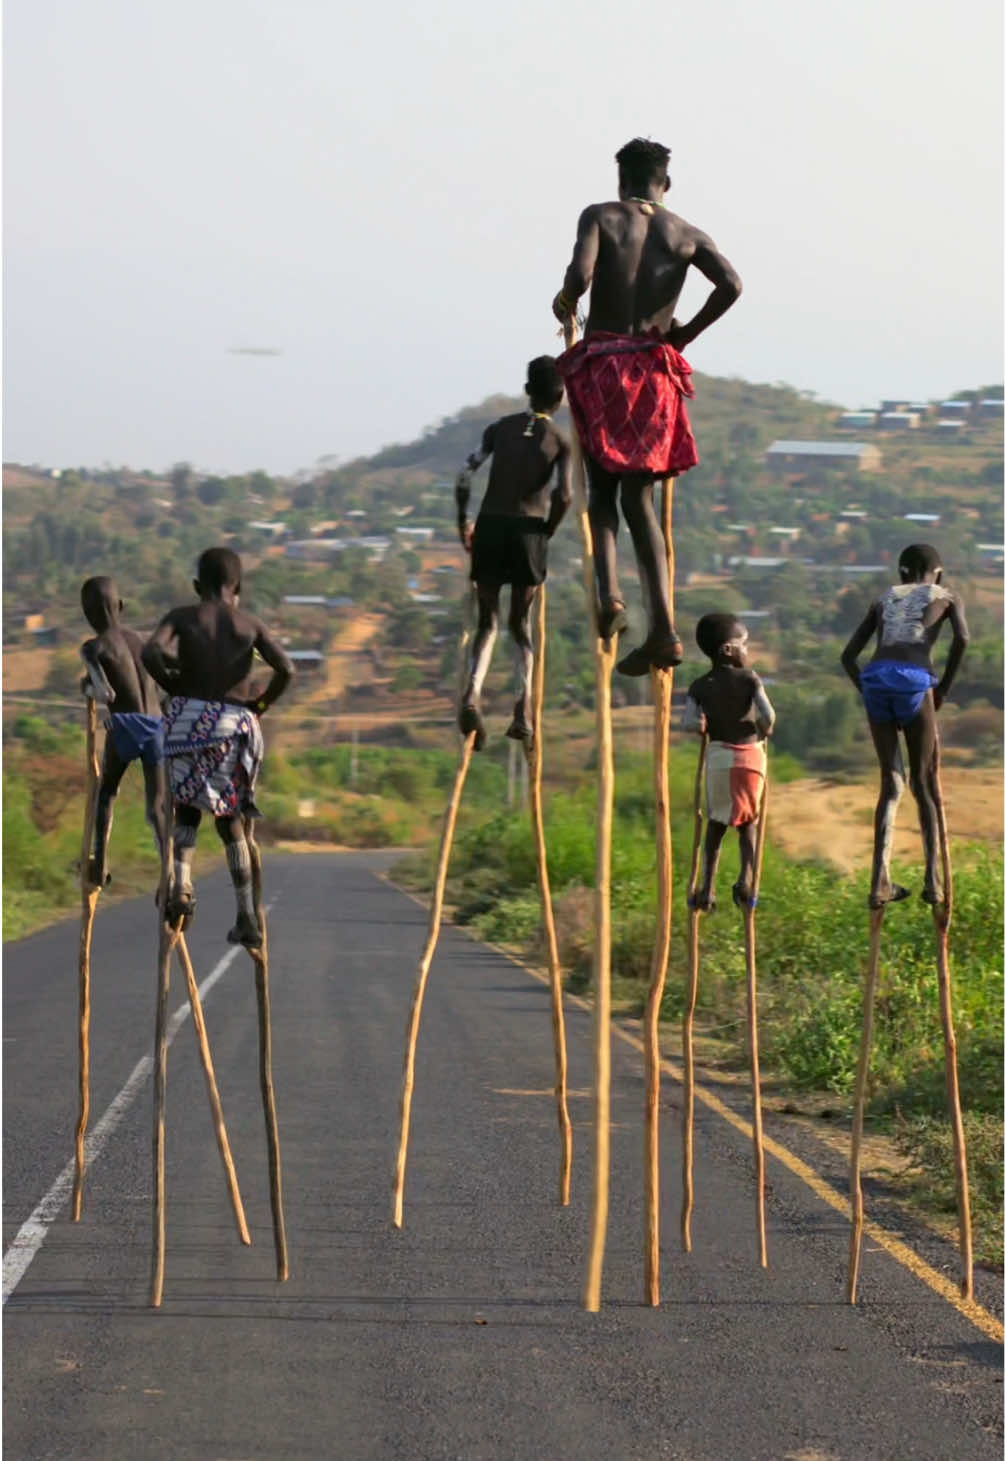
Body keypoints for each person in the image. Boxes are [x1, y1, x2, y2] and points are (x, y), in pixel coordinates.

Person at [552, 136, 741, 676]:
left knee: (603, 494)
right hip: (654, 374)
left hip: (603, 369)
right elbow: (731, 285)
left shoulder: (600, 216)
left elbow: (580, 277)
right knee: (642, 503)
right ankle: (664, 630)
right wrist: (683, 337)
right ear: (666, 183)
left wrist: (566, 303)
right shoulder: (686, 233)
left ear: (622, 180)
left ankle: (610, 597)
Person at [141, 547, 294, 948]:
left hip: (187, 720)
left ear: (197, 586)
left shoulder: (182, 617)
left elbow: (150, 651)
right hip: (231, 723)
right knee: (230, 821)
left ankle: (181, 887)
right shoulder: (249, 624)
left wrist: (174, 685)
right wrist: (260, 705)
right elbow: (286, 669)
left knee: (187, 809)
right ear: (237, 587)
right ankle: (246, 916)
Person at [840, 544, 968, 908]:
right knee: (923, 782)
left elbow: (848, 657)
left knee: (891, 782)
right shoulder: (945, 595)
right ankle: (933, 881)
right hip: (914, 680)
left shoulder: (884, 598)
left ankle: (879, 882)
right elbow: (962, 639)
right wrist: (941, 690)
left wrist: (868, 690)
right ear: (938, 572)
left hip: (876, 679)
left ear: (901, 572)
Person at [454, 356, 572, 749]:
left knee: (487, 622)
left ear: (526, 391)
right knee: (520, 625)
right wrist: (547, 531)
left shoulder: (499, 428)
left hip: (490, 527)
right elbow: (565, 496)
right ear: (560, 397)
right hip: (529, 533)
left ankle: (471, 696)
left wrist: (463, 521)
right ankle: (523, 710)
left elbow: (465, 473)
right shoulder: (560, 441)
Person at [78, 576, 168, 889]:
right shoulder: (144, 641)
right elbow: (166, 686)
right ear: (121, 606)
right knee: (157, 807)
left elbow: (106, 694)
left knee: (107, 792)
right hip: (157, 725)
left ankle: (100, 865)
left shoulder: (93, 647)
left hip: (126, 724)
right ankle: (171, 872)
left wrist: (86, 687)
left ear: (87, 614)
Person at [681, 613, 774, 910]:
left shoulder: (699, 686)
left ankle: (707, 889)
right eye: (743, 644)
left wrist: (700, 725)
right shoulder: (750, 678)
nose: (747, 650)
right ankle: (746, 881)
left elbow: (688, 722)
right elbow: (768, 716)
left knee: (717, 823)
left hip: (720, 757)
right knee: (749, 822)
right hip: (750, 758)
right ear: (727, 650)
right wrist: (764, 727)